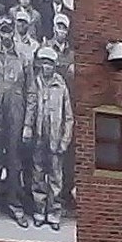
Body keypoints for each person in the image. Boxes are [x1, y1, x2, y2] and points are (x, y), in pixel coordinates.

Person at [0, 16, 30, 227]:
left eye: (9, 30)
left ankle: (15, 205)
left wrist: (27, 123)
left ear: (14, 31)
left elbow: (32, 92)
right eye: (2, 30)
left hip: (16, 116)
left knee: (14, 161)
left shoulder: (24, 58)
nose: (6, 34)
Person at [28, 46, 72, 230]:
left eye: (50, 63)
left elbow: (69, 117)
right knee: (38, 174)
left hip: (55, 138)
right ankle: (39, 211)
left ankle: (54, 213)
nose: (46, 67)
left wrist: (64, 140)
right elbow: (31, 107)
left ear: (54, 66)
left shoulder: (61, 86)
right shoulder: (35, 83)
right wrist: (28, 128)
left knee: (55, 178)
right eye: (43, 63)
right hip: (39, 136)